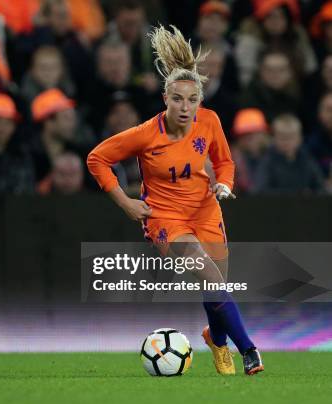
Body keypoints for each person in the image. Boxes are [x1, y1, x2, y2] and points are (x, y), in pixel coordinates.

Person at [87, 25, 264, 376]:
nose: (185, 107)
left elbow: (225, 162)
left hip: (205, 210)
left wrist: (225, 184)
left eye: (192, 99)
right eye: (178, 99)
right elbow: (97, 158)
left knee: (215, 285)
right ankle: (249, 351)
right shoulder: (145, 134)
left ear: (200, 100)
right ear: (165, 98)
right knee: (207, 273)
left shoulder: (209, 122)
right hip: (165, 219)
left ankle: (216, 339)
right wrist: (124, 201)